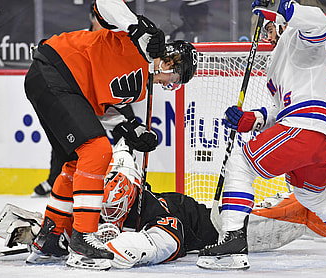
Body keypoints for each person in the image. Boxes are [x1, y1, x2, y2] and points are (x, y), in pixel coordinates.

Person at [197, 0, 326, 270]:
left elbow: (321, 23)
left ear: (280, 22)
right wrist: (251, 119)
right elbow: (280, 110)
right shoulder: (276, 64)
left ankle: (233, 241)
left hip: (310, 124)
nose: (267, 36)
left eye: (269, 28)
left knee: (241, 161)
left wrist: (284, 6)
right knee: (310, 195)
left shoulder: (299, 37)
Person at [23, 0, 197, 270]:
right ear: (168, 60)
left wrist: (130, 127)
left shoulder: (139, 89)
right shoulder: (144, 40)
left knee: (77, 162)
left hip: (60, 84)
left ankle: (49, 238)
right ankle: (83, 240)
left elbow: (104, 107)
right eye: (176, 77)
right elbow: (103, 4)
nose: (171, 84)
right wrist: (137, 27)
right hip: (57, 69)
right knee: (98, 151)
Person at [0, 137, 326, 269]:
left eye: (116, 187)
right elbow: (78, 230)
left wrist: (114, 245)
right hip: (210, 219)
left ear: (131, 186)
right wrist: (38, 230)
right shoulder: (102, 204)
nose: (109, 198)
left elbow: (164, 241)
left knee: (297, 214)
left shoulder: (150, 206)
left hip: (220, 227)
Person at [32, 0, 103, 198]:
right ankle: (55, 179)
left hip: (102, 97)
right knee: (63, 141)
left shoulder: (112, 40)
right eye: (99, 19)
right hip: (76, 97)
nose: (102, 24)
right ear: (92, 18)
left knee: (117, 137)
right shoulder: (81, 37)